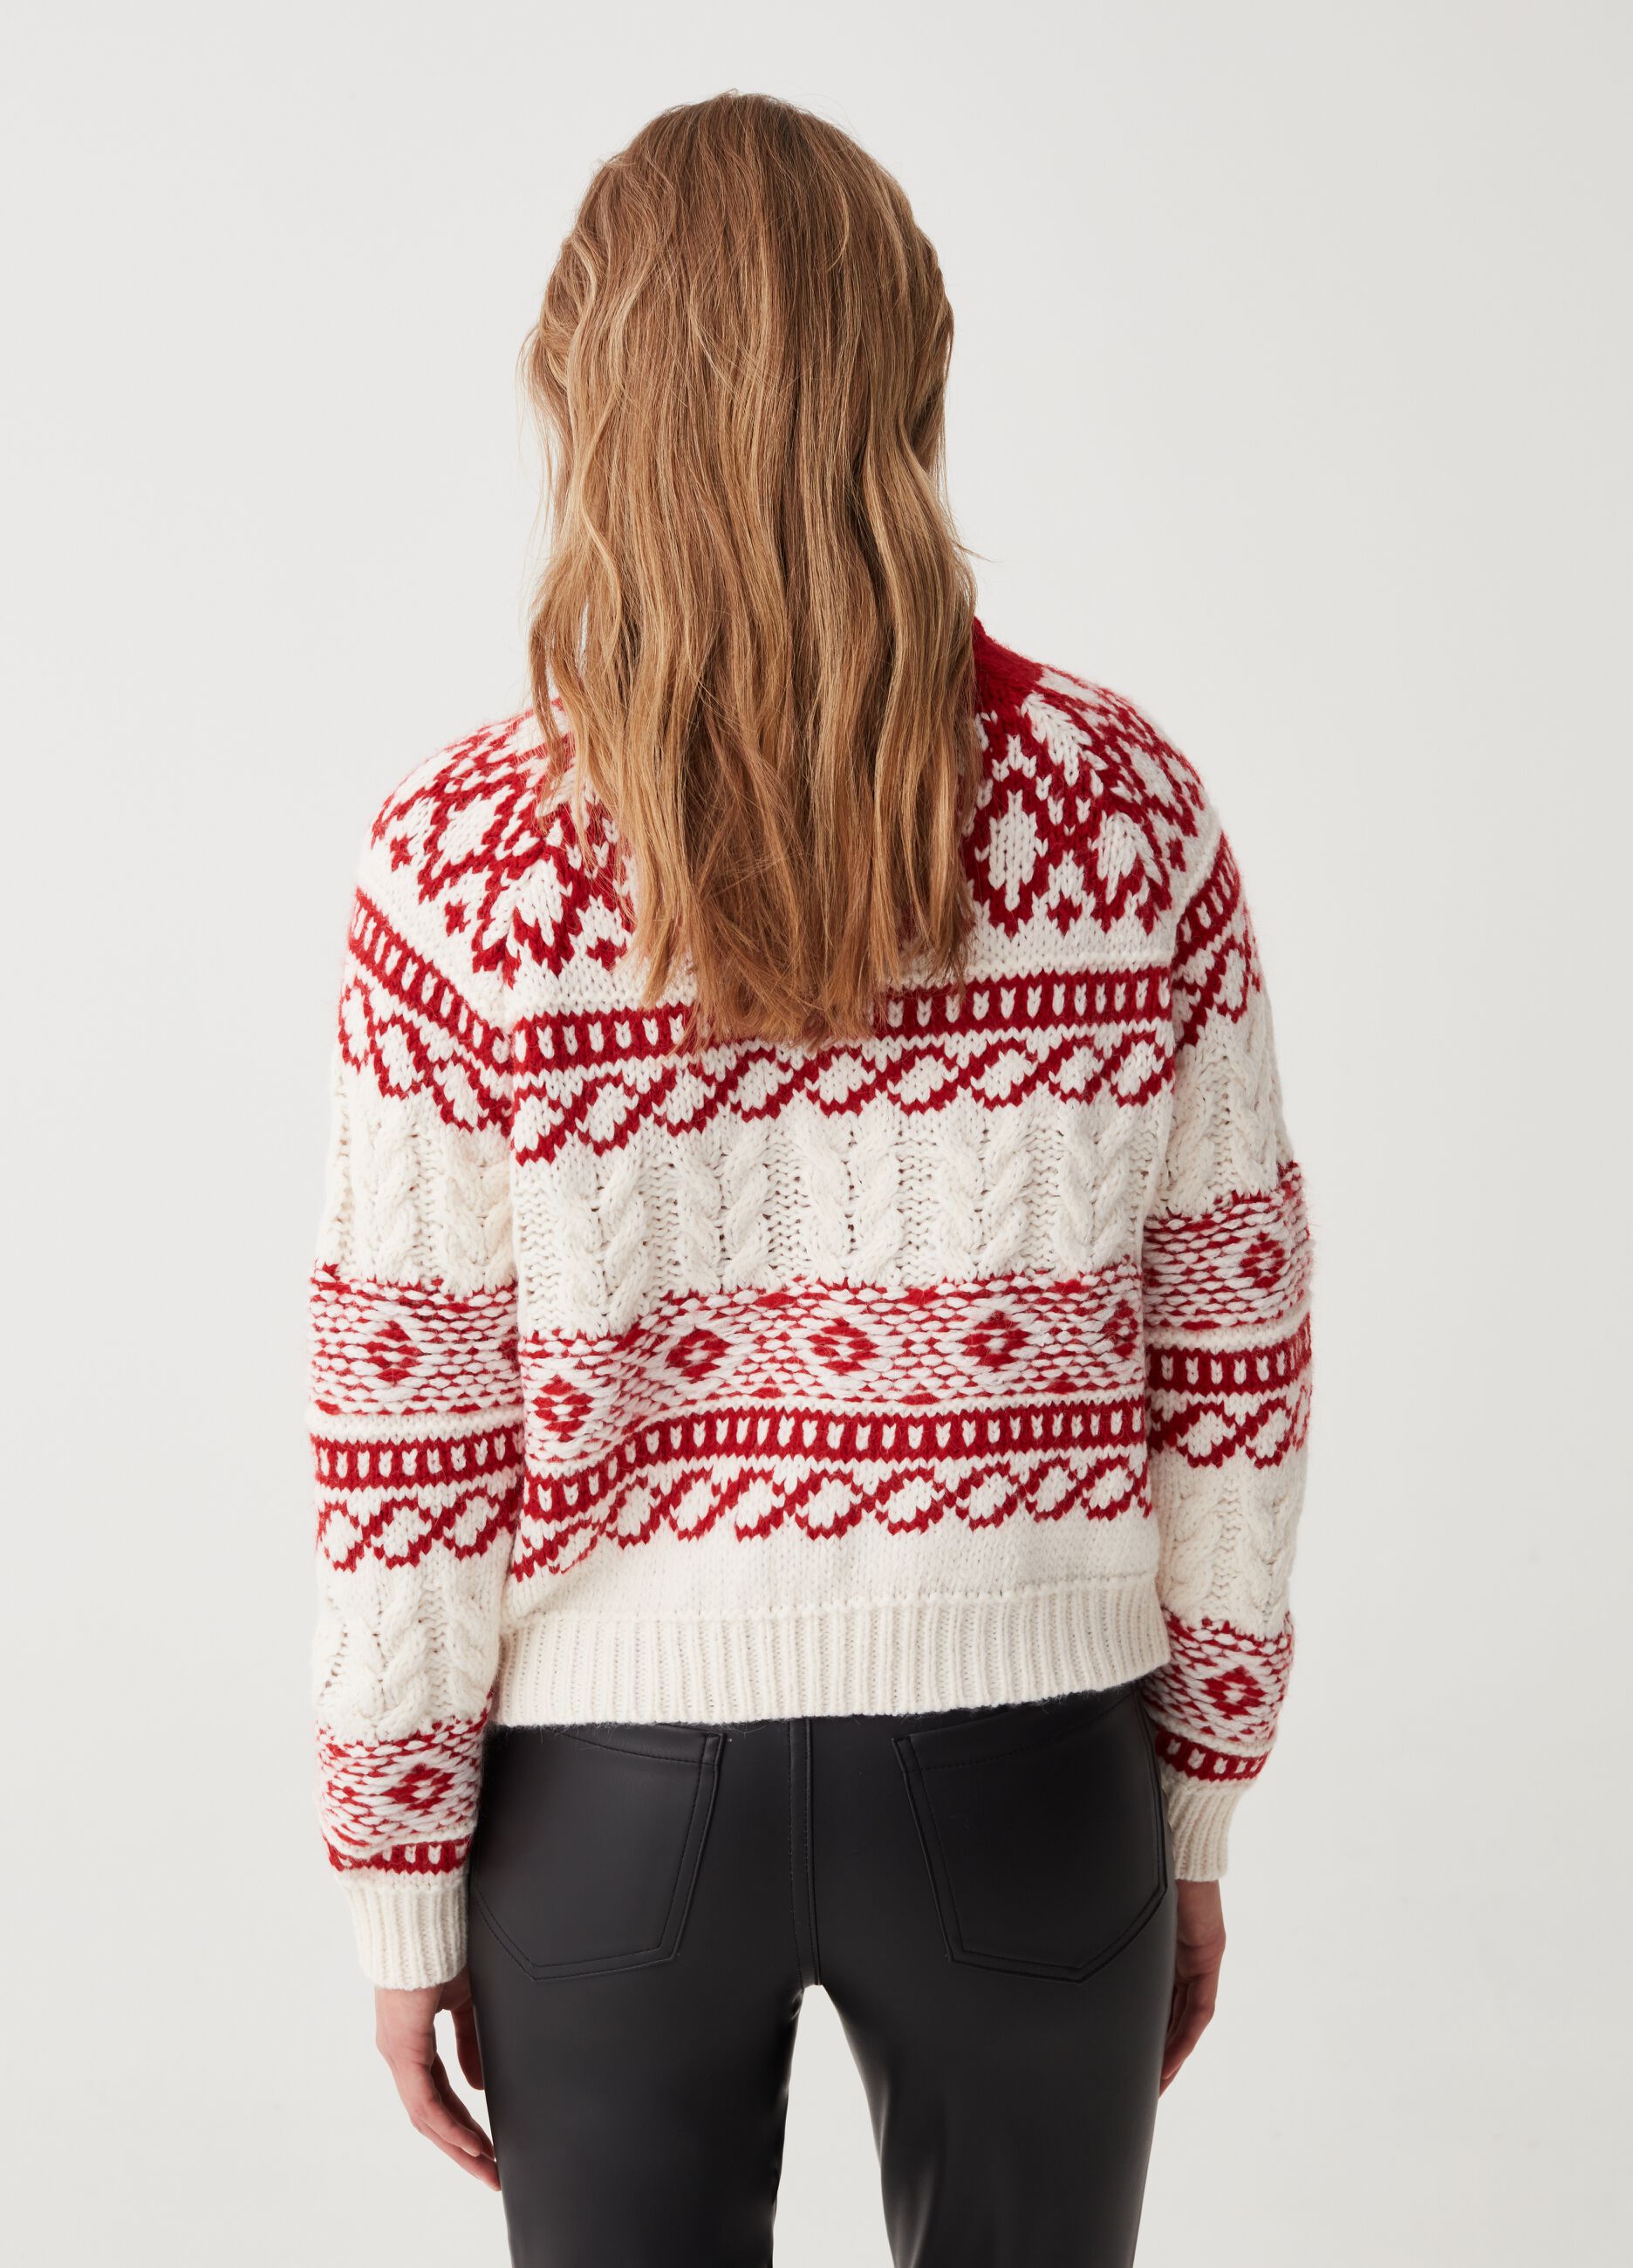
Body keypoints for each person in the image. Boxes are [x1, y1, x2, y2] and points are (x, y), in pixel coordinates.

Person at [307, 90, 1315, 2268]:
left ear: (585, 401)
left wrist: (401, 1877)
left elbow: (411, 1407)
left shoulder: (454, 861)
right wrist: (1196, 1799)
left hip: (609, 1812)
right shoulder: (1129, 811)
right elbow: (1235, 1341)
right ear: (914, 378)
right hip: (1031, 1764)